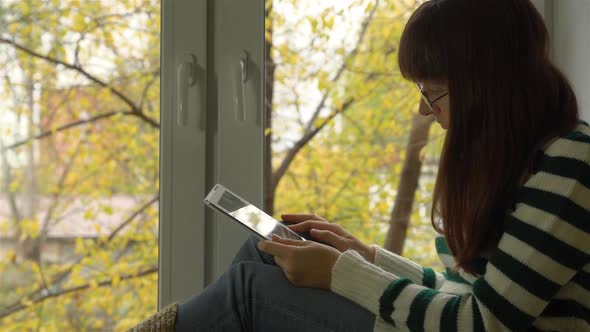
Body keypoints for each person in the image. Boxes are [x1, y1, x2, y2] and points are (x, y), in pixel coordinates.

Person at [132, 0, 589, 331]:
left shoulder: (570, 162)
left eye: (433, 91)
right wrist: (364, 256)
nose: (425, 111)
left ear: (486, 85)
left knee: (250, 289)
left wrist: (341, 272)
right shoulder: (520, 159)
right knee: (264, 253)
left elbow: (484, 322)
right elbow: (461, 290)